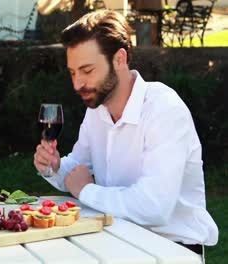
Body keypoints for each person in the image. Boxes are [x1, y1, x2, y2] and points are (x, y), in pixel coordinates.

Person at [33, 10, 218, 256]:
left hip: (170, 252)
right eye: (73, 72)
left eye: (87, 71)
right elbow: (79, 167)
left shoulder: (164, 110)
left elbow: (154, 207)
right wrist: (54, 167)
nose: (77, 84)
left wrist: (86, 191)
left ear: (119, 59)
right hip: (115, 243)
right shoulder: (98, 110)